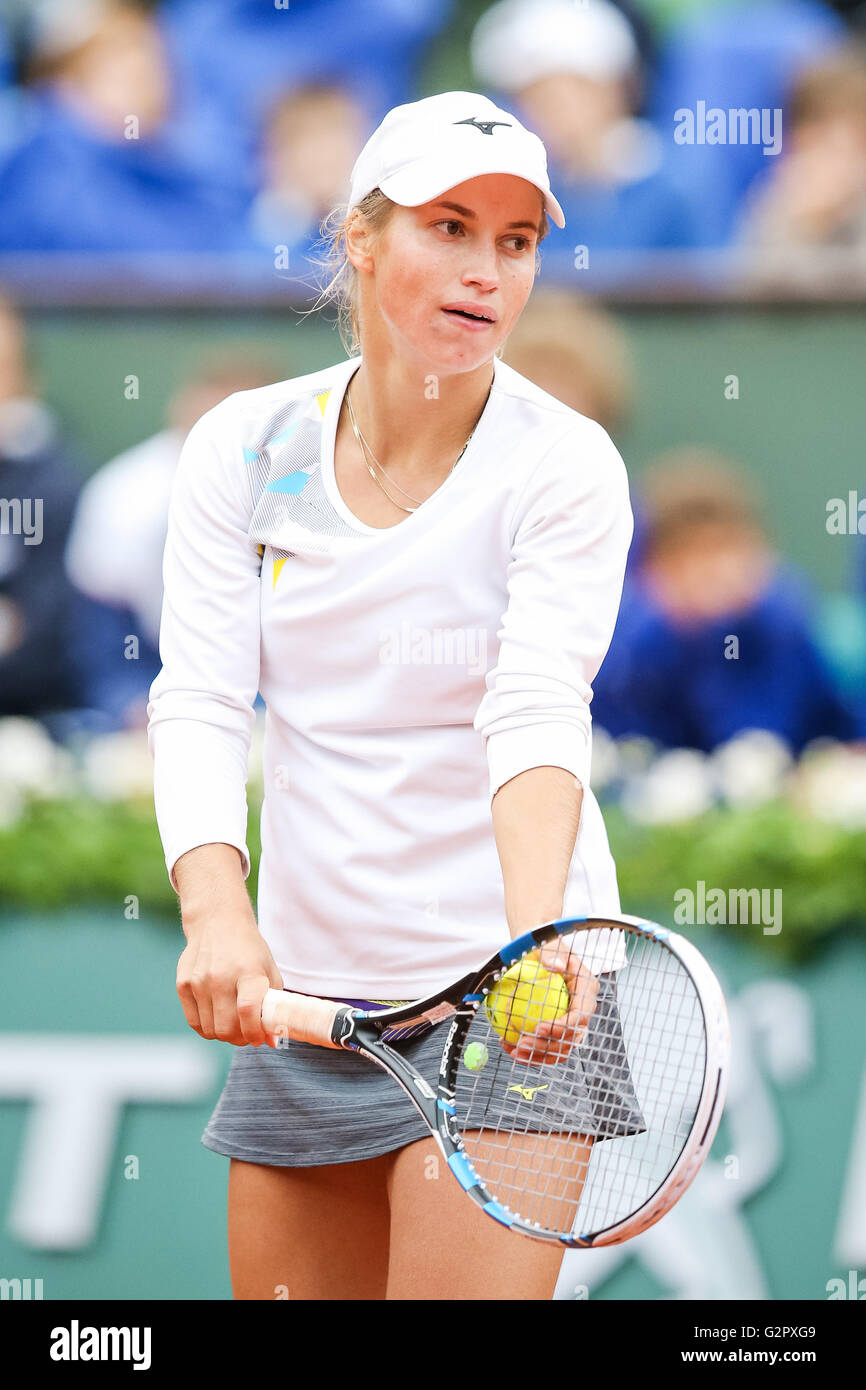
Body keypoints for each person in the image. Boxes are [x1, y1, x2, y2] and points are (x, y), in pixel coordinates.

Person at [147, 91, 634, 1301]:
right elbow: (201, 696)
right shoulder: (244, 449)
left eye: (514, 242)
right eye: (448, 228)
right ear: (360, 240)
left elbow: (531, 703)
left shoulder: (565, 464)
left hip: (515, 1001)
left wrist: (537, 936)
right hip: (311, 1000)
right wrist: (218, 914)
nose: (484, 272)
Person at [592, 449, 858, 751]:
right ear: (654, 568)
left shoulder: (784, 619)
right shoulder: (630, 636)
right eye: (694, 557)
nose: (715, 577)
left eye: (726, 551)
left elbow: (835, 725)